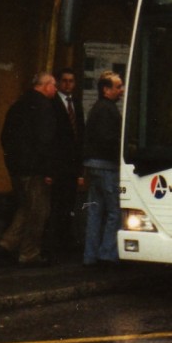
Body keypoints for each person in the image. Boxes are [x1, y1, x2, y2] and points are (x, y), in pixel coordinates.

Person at [0, 72, 59, 267]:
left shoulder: (18, 104)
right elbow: (46, 142)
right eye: (54, 86)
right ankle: (29, 253)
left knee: (25, 207)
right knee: (39, 211)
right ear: (45, 86)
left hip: (16, 167)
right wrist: (48, 171)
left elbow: (5, 136)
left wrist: (12, 160)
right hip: (35, 169)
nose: (56, 90)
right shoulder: (44, 107)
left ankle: (7, 243)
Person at [83, 71, 124, 267]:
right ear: (106, 90)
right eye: (118, 87)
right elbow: (109, 140)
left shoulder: (97, 108)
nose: (121, 90)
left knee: (94, 212)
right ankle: (107, 254)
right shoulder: (109, 110)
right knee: (115, 212)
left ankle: (90, 255)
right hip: (107, 166)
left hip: (92, 164)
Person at [48, 67, 85, 256]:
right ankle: (55, 245)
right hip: (59, 164)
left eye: (71, 81)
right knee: (57, 206)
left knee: (69, 205)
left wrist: (80, 169)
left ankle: (65, 242)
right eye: (64, 81)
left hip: (72, 164)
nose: (68, 84)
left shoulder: (76, 103)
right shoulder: (53, 103)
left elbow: (79, 134)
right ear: (59, 82)